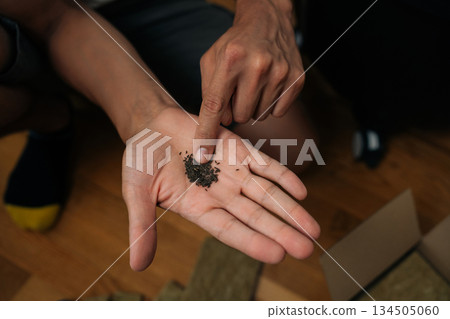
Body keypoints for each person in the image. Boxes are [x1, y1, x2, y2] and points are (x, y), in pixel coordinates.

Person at [0, 0, 320, 271]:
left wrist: (266, 10)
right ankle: (48, 119)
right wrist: (146, 121)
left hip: (123, 8)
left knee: (291, 147)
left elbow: (56, 19)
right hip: (22, 38)